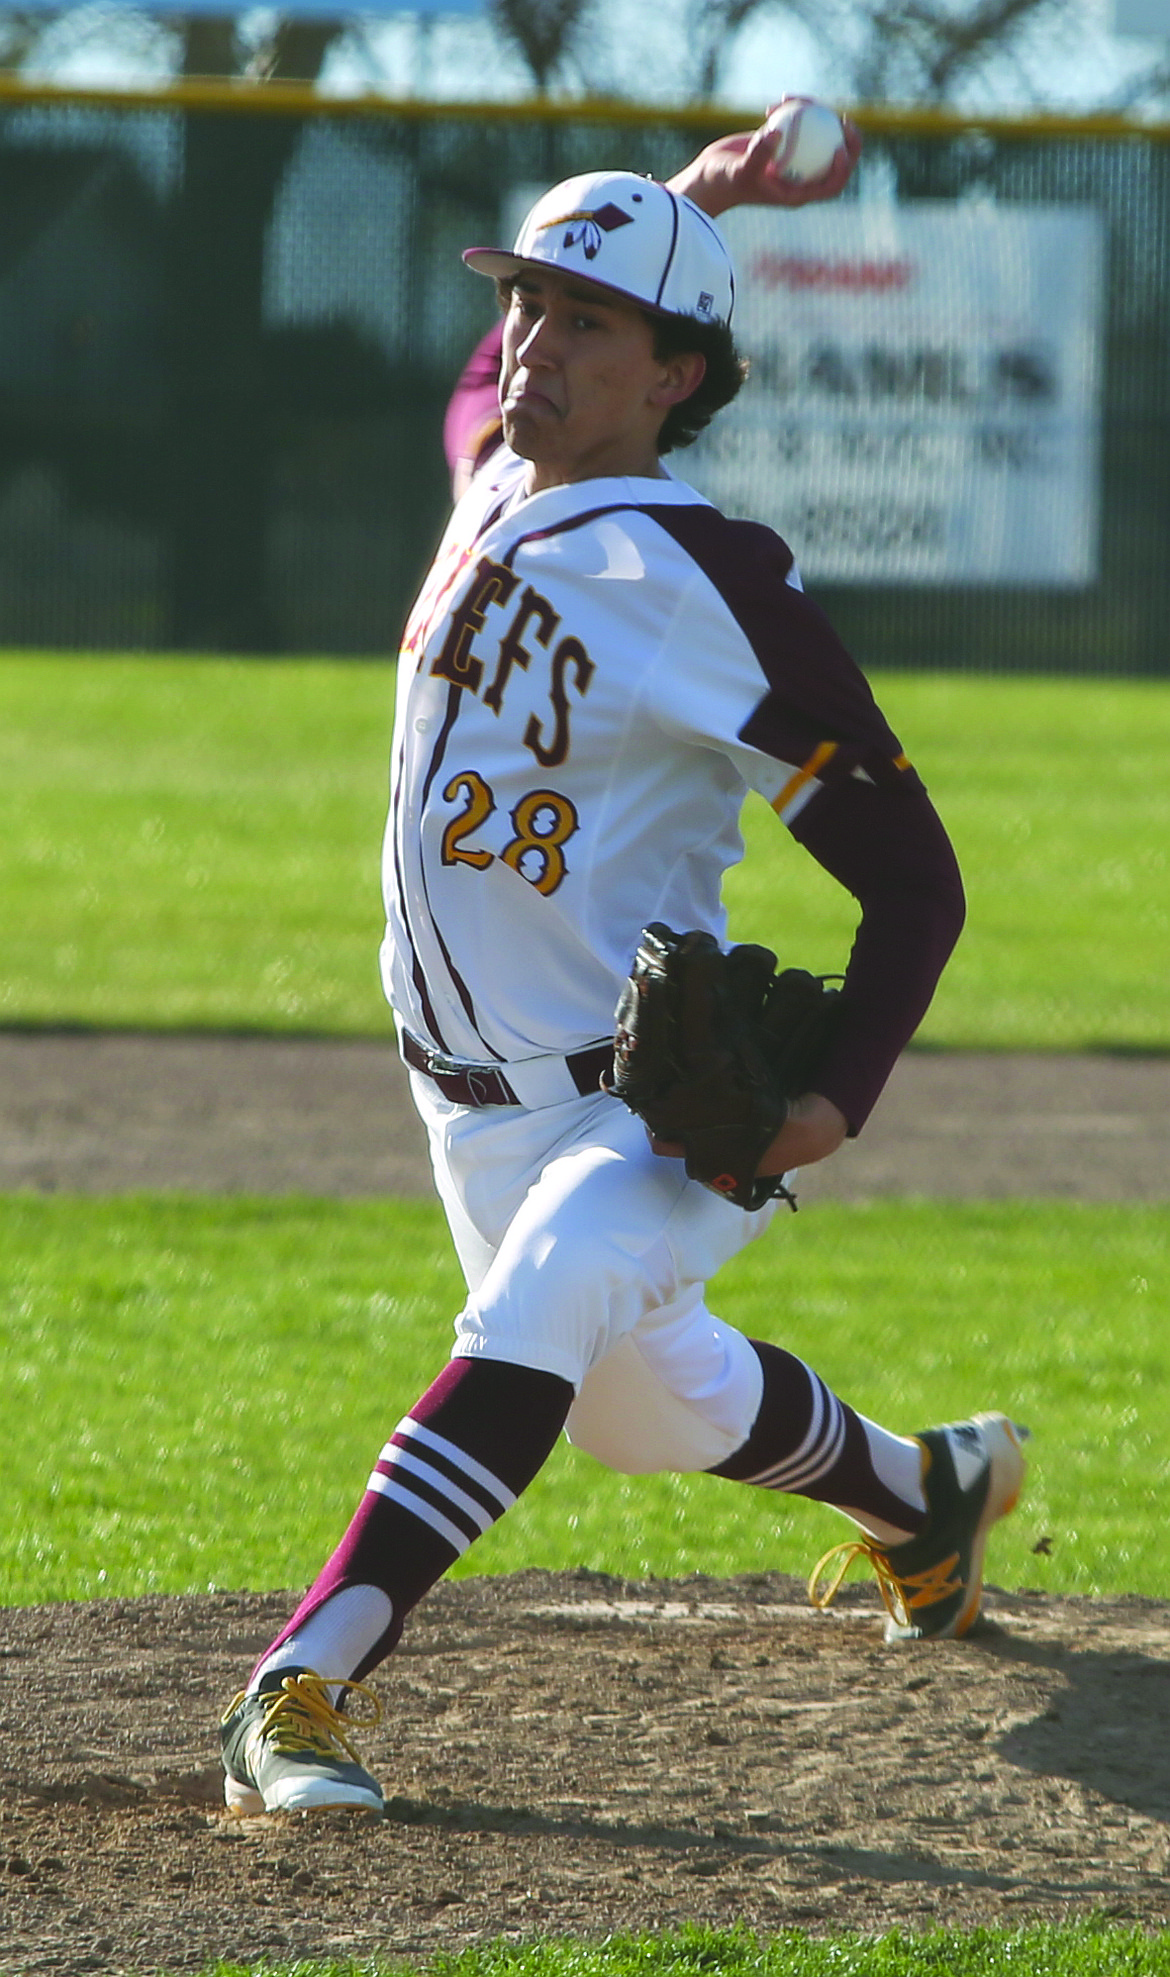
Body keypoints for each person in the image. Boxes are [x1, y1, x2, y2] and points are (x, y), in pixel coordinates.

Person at [220, 107, 1028, 1818]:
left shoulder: (704, 580)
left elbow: (916, 877)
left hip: (647, 1101)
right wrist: (687, 198)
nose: (532, 345)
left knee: (547, 1299)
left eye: (585, 322)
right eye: (523, 306)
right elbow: (478, 399)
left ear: (680, 375)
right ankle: (922, 1496)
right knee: (639, 1411)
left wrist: (832, 1094)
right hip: (471, 1109)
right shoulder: (502, 481)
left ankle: (300, 1685)